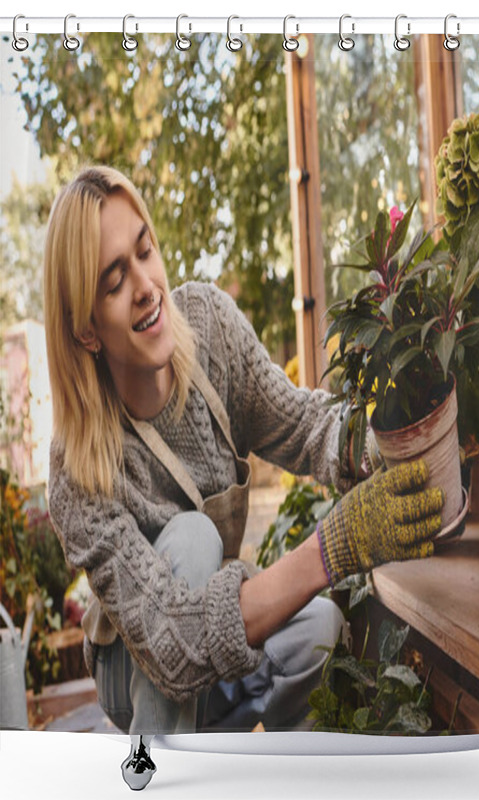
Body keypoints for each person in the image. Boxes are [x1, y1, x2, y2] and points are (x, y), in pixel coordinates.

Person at [43, 166, 443, 785]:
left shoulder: (209, 328)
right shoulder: (79, 466)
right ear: (86, 329)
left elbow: (301, 424)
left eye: (144, 251)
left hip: (211, 650)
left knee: (317, 630)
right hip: (139, 673)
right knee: (195, 538)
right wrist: (330, 549)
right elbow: (172, 643)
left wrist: (387, 439)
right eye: (114, 282)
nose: (147, 287)